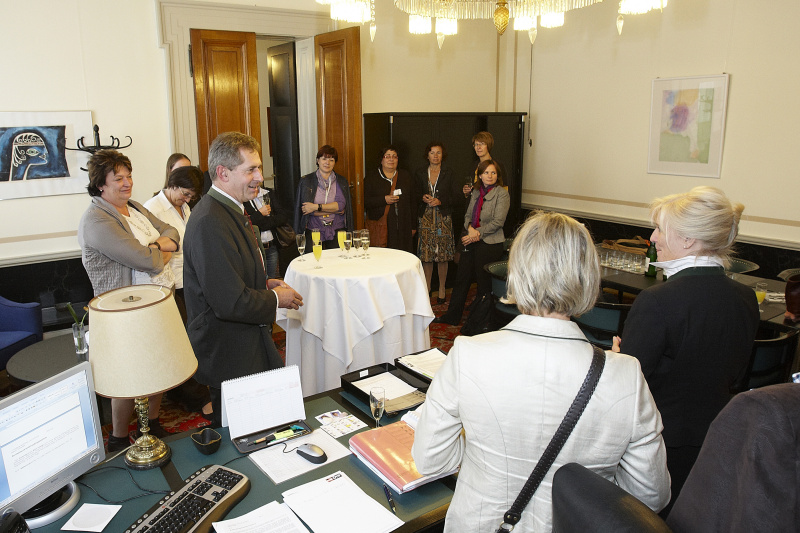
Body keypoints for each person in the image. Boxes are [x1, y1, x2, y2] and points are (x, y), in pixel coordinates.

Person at [412, 211, 671, 533]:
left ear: (516, 271)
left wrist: (485, 449)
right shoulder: (626, 375)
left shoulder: (468, 354)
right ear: (589, 275)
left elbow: (430, 460)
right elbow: (650, 495)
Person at [612, 186, 759, 514]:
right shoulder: (745, 298)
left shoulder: (657, 301)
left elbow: (629, 387)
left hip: (661, 445)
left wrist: (618, 361)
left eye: (660, 228)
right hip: (719, 438)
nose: (652, 237)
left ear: (689, 240)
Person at [183, 132, 303, 424]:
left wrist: (263, 284)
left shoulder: (228, 209)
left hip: (243, 343)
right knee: (243, 435)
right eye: (251, 169)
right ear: (222, 173)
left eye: (259, 168)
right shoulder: (210, 220)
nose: (259, 177)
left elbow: (228, 276)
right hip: (229, 350)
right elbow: (229, 302)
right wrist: (276, 298)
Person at [77, 149, 180, 452]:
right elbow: (144, 260)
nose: (127, 183)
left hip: (158, 302)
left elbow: (172, 233)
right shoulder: (96, 220)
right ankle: (119, 437)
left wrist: (157, 246)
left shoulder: (133, 207)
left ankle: (155, 421)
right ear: (100, 185)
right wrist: (156, 251)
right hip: (124, 310)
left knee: (160, 364)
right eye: (118, 178)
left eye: (129, 176)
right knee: (127, 375)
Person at [434, 160, 509, 329]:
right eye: (486, 173)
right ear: (480, 175)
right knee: (461, 279)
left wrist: (476, 234)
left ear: (498, 176)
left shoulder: (502, 194)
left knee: (483, 285)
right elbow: (467, 216)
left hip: (490, 243)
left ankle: (479, 322)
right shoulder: (475, 192)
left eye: (493, 173)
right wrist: (469, 229)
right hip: (470, 238)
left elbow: (498, 222)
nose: (490, 176)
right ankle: (452, 316)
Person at [144, 165, 202, 322]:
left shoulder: (184, 206)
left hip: (188, 277)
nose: (188, 199)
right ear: (173, 185)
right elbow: (150, 250)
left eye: (192, 196)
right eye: (186, 194)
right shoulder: (152, 208)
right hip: (170, 282)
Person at [414, 142, 456, 303]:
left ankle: (442, 289)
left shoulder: (449, 173)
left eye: (438, 153)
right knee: (427, 255)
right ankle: (427, 288)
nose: (435, 156)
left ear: (442, 155)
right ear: (427, 155)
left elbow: (456, 196)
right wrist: (422, 197)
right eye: (432, 152)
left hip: (443, 218)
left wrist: (441, 201)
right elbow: (414, 193)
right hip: (425, 217)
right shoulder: (419, 172)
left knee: (442, 255)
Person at [293, 145, 353, 249]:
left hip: (337, 229)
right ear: (318, 160)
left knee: (337, 262)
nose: (327, 163)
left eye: (331, 160)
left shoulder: (341, 181)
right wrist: (332, 210)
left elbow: (341, 206)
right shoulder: (306, 181)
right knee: (315, 261)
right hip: (314, 229)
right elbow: (306, 209)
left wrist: (316, 207)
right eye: (324, 159)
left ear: (335, 163)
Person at [363, 145, 415, 252]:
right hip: (382, 228)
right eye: (387, 156)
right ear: (381, 160)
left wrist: (413, 226)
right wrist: (384, 200)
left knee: (402, 257)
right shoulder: (372, 177)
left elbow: (413, 202)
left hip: (403, 228)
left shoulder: (405, 176)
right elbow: (365, 201)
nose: (391, 159)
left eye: (394, 156)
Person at [244, 186, 290, 279]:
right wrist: (260, 214)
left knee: (271, 279)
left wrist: (264, 223)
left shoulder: (268, 192)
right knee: (259, 280)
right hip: (255, 248)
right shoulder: (242, 196)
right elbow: (246, 222)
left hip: (272, 245)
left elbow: (282, 216)